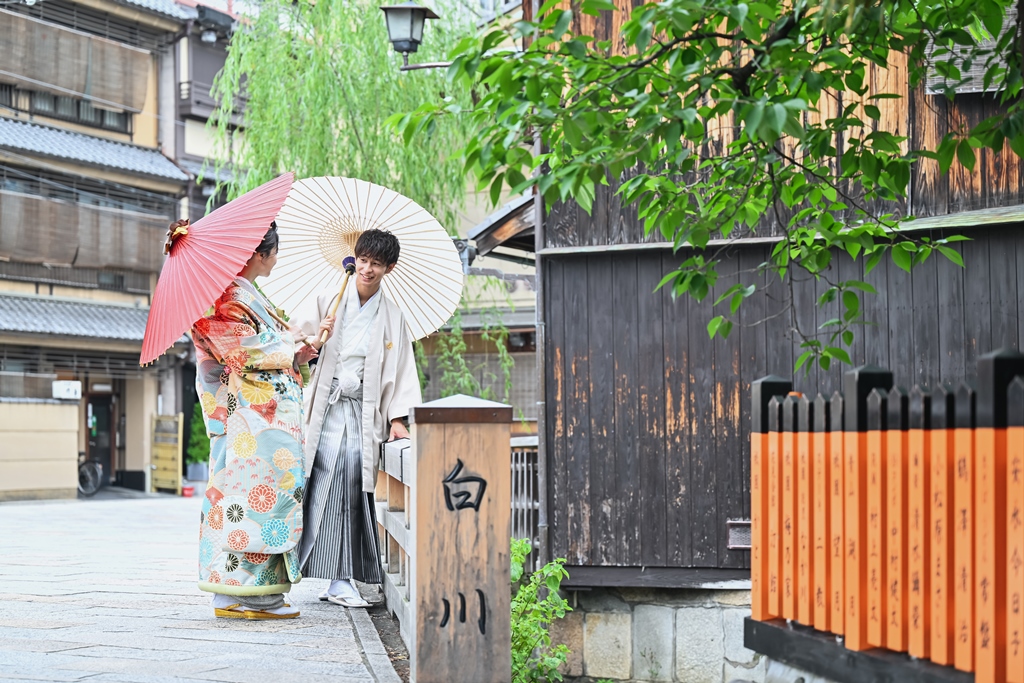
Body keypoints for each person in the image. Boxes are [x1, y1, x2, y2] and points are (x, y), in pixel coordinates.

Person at [189, 222, 326, 619]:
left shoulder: (245, 295)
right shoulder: (227, 299)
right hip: (250, 423)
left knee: (245, 499)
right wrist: (291, 344)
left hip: (253, 420)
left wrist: (300, 350)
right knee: (253, 501)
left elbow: (266, 350)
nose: (277, 258)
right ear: (259, 253)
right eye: (275, 251)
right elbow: (242, 353)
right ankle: (250, 595)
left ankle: (233, 593)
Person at [297, 228, 422, 607]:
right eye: (363, 260)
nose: (367, 269)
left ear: (389, 268)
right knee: (317, 479)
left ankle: (341, 578)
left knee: (352, 482)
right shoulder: (327, 300)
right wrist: (315, 341)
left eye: (376, 264)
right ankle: (328, 576)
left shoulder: (392, 316)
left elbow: (402, 370)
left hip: (362, 409)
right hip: (325, 405)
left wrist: (398, 419)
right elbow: (296, 352)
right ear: (355, 259)